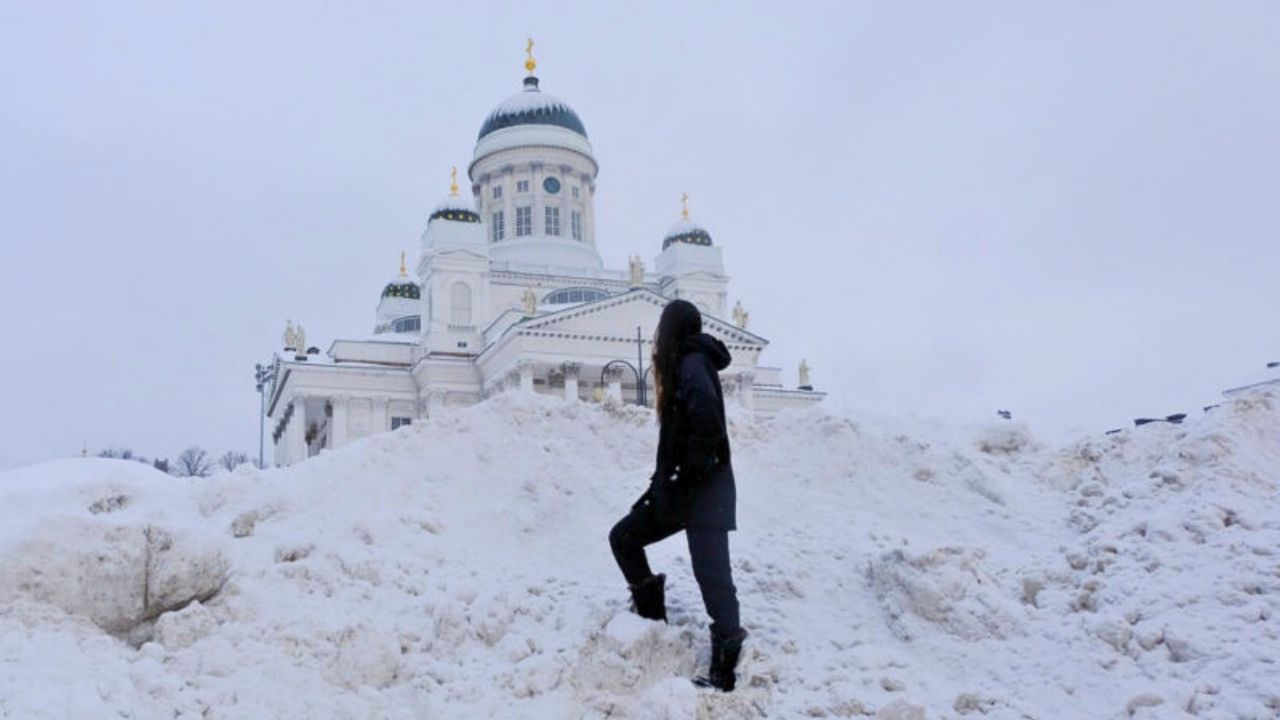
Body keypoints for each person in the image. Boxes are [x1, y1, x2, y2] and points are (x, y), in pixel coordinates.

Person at [607, 299, 748, 692]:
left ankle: (726, 668)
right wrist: (658, 488)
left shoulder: (691, 363)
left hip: (704, 493)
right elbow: (679, 438)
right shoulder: (686, 365)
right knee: (624, 537)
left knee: (713, 577)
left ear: (671, 331)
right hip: (683, 492)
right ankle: (652, 623)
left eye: (659, 329)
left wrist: (687, 471)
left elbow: (707, 425)